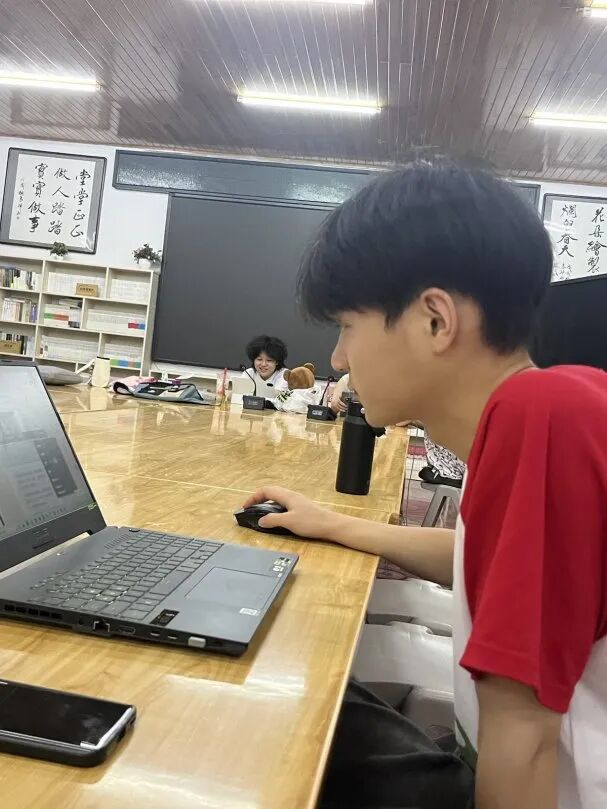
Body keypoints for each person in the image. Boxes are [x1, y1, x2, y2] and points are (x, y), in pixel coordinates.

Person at [243, 160, 607, 809]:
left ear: (435, 320)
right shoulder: (566, 402)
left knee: (271, 714)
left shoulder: (540, 417)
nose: (339, 358)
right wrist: (333, 523)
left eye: (347, 326)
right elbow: (488, 560)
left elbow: (524, 740)